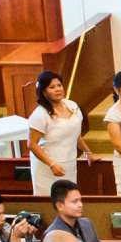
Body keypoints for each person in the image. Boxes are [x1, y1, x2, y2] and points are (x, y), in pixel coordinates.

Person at [25, 70, 85, 199]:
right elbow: (32, 144)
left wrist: (88, 152)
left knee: (70, 199)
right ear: (43, 91)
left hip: (69, 163)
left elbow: (75, 134)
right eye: (52, 87)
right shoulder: (40, 115)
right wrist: (52, 164)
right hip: (48, 168)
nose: (58, 89)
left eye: (59, 85)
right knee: (51, 201)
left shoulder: (72, 105)